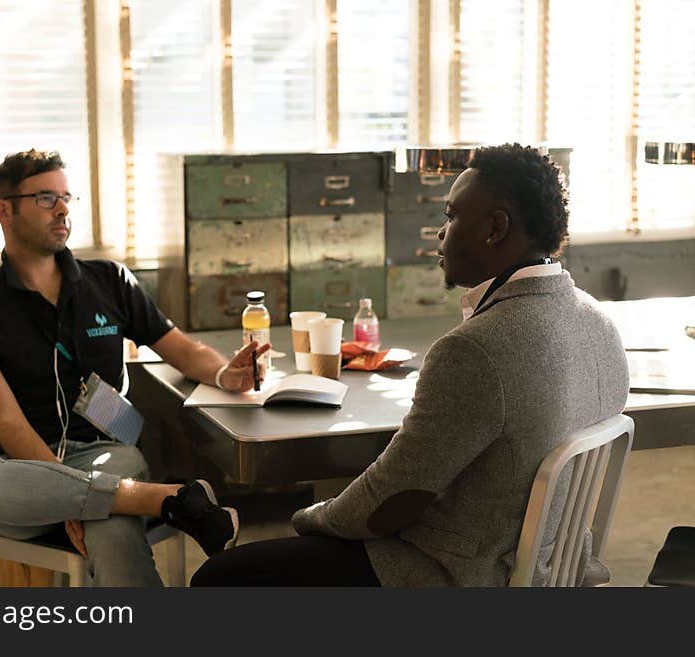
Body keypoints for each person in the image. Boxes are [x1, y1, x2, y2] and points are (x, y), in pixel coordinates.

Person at [191, 143, 629, 587]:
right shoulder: (598, 322)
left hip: (457, 575)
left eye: (451, 216)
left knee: (219, 577)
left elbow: (390, 502)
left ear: (495, 227)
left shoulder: (476, 350)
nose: (441, 233)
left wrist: (312, 518)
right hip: (551, 570)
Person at [0, 149, 270, 587]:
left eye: (67, 197)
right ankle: (168, 500)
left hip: (109, 452)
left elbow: (182, 350)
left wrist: (227, 374)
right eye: (46, 198)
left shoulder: (109, 279)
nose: (63, 209)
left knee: (109, 521)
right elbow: (6, 423)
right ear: (4, 210)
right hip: (26, 476)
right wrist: (69, 495)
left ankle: (127, 501)